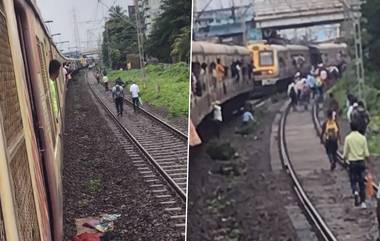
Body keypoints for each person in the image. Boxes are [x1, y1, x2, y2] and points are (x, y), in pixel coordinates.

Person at [343, 122, 370, 208]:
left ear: (351, 128)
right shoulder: (362, 138)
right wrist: (368, 163)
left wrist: (344, 160)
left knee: (353, 179)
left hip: (352, 163)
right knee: (361, 181)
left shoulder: (348, 138)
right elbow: (366, 153)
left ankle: (355, 191)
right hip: (361, 162)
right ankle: (363, 202)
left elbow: (345, 153)